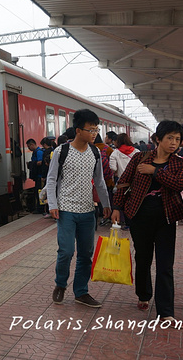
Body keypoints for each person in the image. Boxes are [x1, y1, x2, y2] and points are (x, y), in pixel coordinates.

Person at [111, 121, 183, 321]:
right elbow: (123, 182)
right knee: (143, 258)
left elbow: (179, 184)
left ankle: (166, 312)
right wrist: (117, 207)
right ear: (158, 139)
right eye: (170, 138)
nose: (174, 143)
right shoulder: (140, 157)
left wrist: (155, 171)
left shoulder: (180, 163)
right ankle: (144, 294)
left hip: (166, 219)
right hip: (139, 216)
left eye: (177, 139)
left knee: (165, 265)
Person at [46, 109, 111, 308]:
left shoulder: (95, 152)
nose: (94, 133)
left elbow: (99, 181)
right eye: (90, 130)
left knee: (85, 254)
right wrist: (52, 204)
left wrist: (106, 204)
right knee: (66, 251)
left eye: (96, 130)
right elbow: (51, 179)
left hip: (88, 211)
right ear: (78, 130)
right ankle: (60, 284)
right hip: (66, 210)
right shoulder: (61, 151)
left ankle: (81, 292)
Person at [27, 138, 45, 214]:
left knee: (39, 192)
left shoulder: (39, 152)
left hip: (40, 176)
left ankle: (41, 208)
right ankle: (39, 207)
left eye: (29, 146)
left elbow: (40, 162)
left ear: (32, 144)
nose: (29, 148)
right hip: (37, 176)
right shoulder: (35, 152)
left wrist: (31, 164)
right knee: (38, 192)